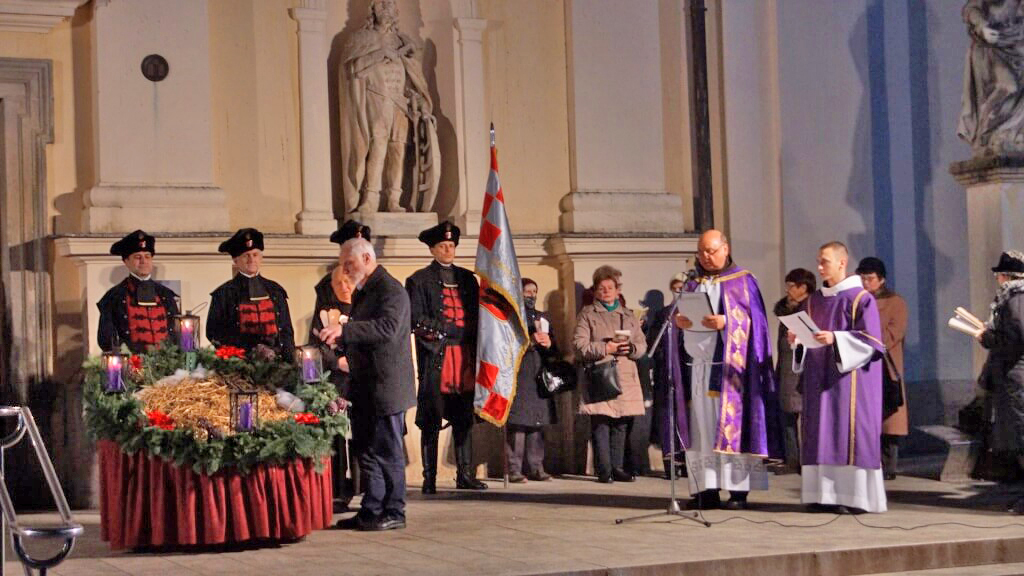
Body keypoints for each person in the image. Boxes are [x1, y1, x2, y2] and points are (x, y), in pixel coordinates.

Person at [670, 230, 779, 510]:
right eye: (702, 251)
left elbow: (758, 325)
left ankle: (737, 491)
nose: (706, 256)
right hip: (697, 367)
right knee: (701, 430)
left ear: (726, 248)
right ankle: (705, 490)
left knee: (729, 426)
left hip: (730, 373)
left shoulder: (743, 281)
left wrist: (727, 322)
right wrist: (679, 322)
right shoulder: (692, 284)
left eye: (711, 250)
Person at [325, 237, 416, 531]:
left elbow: (387, 329)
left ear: (366, 258)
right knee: (364, 448)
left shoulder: (391, 290)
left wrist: (346, 329)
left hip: (386, 386)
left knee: (388, 450)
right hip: (364, 385)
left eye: (349, 264)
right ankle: (372, 507)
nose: (345, 271)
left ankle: (395, 510)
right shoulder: (366, 291)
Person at [791, 241, 887, 514]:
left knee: (846, 433)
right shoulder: (814, 300)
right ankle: (822, 495)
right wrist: (798, 339)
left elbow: (871, 342)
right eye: (818, 262)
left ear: (842, 263)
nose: (819, 267)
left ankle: (853, 498)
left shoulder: (860, 298)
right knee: (819, 432)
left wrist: (836, 338)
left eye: (825, 262)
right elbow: (809, 337)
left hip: (849, 380)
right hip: (818, 378)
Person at [406, 221, 485, 492]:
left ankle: (465, 474)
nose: (448, 250)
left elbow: (476, 316)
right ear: (433, 249)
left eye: (451, 245)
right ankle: (430, 479)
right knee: (431, 419)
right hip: (437, 358)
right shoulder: (419, 280)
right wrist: (448, 331)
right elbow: (416, 319)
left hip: (464, 357)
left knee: (464, 417)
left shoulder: (467, 279)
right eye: (443, 245)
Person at [339, 0, 439, 214]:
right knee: (378, 145)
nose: (386, 9)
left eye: (390, 5)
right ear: (372, 10)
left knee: (398, 148)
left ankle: (394, 199)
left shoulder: (403, 41)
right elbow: (353, 68)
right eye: (381, 5)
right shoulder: (361, 39)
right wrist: (380, 53)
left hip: (400, 101)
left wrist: (421, 102)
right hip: (375, 98)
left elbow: (414, 79)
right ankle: (370, 198)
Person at [310, 220, 371, 511]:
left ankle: (369, 488)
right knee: (336, 433)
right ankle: (338, 489)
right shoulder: (325, 291)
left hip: (366, 374)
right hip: (337, 375)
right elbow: (317, 337)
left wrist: (356, 360)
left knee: (367, 432)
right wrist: (339, 361)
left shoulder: (375, 291)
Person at [575, 265, 647, 483]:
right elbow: (579, 346)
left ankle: (617, 467)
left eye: (610, 287)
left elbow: (642, 344)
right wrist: (606, 348)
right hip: (601, 375)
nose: (606, 291)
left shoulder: (629, 316)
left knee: (622, 423)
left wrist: (631, 349)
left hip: (625, 375)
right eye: (601, 288)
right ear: (596, 291)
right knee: (601, 423)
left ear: (618, 290)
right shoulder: (587, 314)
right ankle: (604, 469)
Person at [975, 251, 1024, 513]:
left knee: (1022, 436)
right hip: (1015, 376)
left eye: (998, 275)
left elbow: (1016, 339)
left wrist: (988, 338)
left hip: (1018, 378)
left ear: (1006, 276)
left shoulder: (1016, 299)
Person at [856, 257, 909, 481]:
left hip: (886, 365)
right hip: (863, 363)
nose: (866, 282)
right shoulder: (858, 300)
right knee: (868, 417)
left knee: (889, 419)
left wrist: (870, 340)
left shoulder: (895, 302)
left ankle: (889, 466)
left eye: (870, 278)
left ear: (882, 280)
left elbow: (895, 332)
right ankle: (869, 460)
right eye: (863, 278)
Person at [207, 228, 295, 356]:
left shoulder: (275, 291)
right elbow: (214, 333)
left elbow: (286, 330)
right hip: (241, 363)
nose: (251, 260)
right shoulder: (223, 294)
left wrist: (289, 360)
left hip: (277, 363)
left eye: (255, 255)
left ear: (261, 257)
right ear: (236, 261)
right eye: (246, 256)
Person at [504, 278, 558, 483]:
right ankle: (514, 469)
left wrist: (550, 342)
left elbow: (556, 350)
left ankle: (536, 467)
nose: (531, 295)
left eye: (534, 291)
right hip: (520, 375)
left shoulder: (543, 317)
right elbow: (508, 345)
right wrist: (532, 342)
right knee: (518, 424)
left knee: (537, 422)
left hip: (540, 375)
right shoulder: (511, 317)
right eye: (527, 291)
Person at [97, 230, 180, 352]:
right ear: (126, 261)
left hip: (165, 365)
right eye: (137, 257)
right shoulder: (113, 297)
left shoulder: (166, 294)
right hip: (131, 366)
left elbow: (176, 334)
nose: (143, 261)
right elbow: (105, 340)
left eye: (147, 256)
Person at [772, 268, 816, 475]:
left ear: (803, 287)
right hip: (786, 369)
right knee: (787, 417)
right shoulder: (786, 312)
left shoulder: (813, 309)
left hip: (804, 370)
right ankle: (792, 458)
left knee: (804, 418)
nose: (788, 290)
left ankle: (807, 458)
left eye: (791, 286)